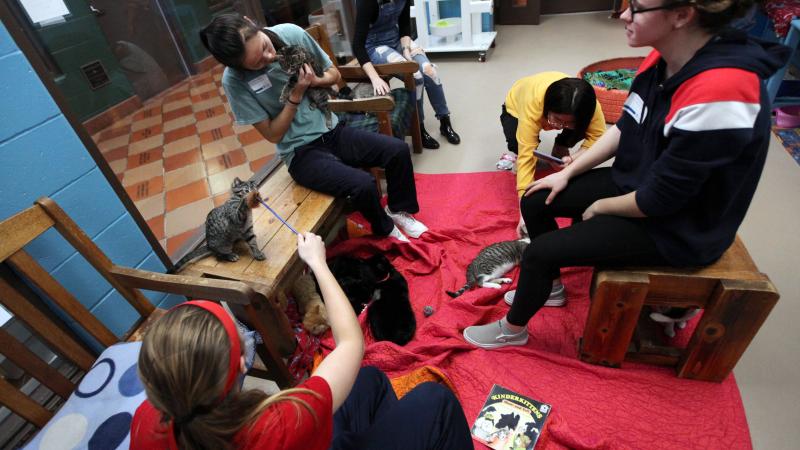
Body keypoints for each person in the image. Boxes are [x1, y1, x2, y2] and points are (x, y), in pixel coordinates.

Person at [463, 0, 788, 349]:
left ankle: (511, 331)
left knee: (540, 252)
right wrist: (569, 172)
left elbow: (662, 200)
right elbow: (627, 127)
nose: (623, 15)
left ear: (681, 15)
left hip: (676, 227)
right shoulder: (660, 58)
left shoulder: (722, 93)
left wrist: (600, 208)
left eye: (637, 7)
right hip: (638, 184)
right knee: (538, 198)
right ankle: (551, 287)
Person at [131, 232, 473, 449]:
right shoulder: (280, 423)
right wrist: (317, 263)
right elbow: (351, 343)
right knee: (435, 401)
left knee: (368, 381)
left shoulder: (148, 420)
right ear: (240, 363)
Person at [199, 14, 428, 243]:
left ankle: (397, 211)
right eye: (257, 63)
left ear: (251, 22)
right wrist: (296, 95)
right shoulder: (234, 81)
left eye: (266, 48)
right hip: (300, 152)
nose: (269, 57)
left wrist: (315, 82)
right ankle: (385, 228)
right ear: (239, 67)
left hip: (332, 130)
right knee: (363, 184)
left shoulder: (290, 34)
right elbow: (273, 134)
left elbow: (334, 75)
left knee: (397, 151)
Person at [352, 0, 461, 149]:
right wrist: (375, 78)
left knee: (430, 72)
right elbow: (357, 46)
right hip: (375, 46)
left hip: (397, 40)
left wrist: (405, 50)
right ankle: (419, 128)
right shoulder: (367, 3)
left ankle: (444, 121)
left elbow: (404, 27)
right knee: (416, 77)